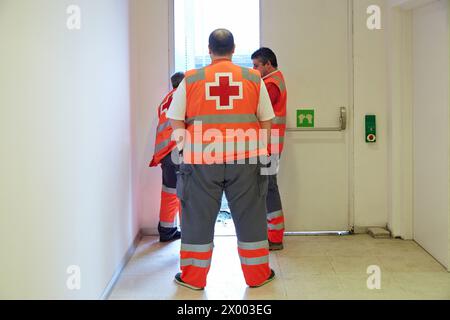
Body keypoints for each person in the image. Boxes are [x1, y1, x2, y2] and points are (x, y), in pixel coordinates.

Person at [167, 29, 276, 290]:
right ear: (233, 47)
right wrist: (259, 150)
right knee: (251, 216)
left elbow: (175, 118)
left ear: (209, 49)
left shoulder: (191, 79)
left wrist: (185, 148)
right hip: (247, 159)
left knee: (197, 217)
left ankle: (193, 278)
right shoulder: (253, 77)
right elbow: (267, 120)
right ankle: (258, 275)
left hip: (202, 160)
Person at [252, 48, 287, 251]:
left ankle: (275, 237)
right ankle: (272, 233)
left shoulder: (271, 84)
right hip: (270, 143)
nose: (254, 69)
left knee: (269, 187)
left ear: (268, 64)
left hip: (269, 145)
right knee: (268, 186)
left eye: (257, 66)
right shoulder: (272, 81)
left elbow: (259, 111)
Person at [149, 72, 185, 242]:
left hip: (164, 152)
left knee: (169, 192)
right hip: (177, 149)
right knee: (185, 192)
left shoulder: (165, 100)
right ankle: (189, 233)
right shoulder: (183, 96)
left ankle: (166, 231)